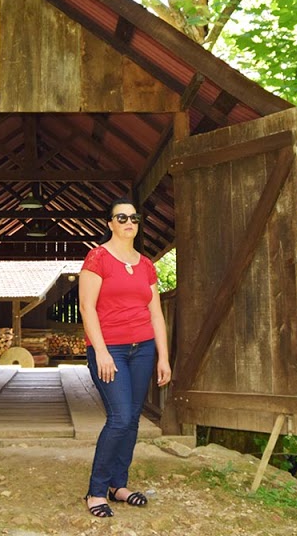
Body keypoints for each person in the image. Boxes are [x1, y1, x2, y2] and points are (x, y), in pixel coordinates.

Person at [78, 197, 171, 518]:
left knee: (132, 419)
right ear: (110, 223)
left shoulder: (145, 264)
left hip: (143, 349)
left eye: (134, 218)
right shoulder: (98, 258)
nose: (129, 222)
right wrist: (101, 351)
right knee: (119, 418)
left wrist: (164, 357)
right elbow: (87, 308)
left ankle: (119, 485)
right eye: (121, 217)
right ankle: (95, 490)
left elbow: (156, 314)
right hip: (111, 349)